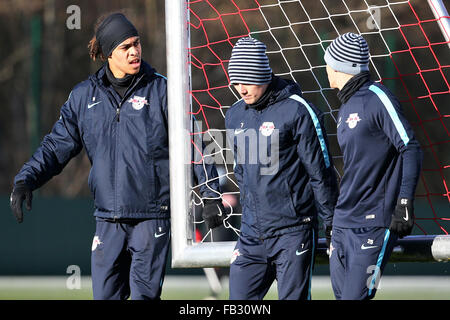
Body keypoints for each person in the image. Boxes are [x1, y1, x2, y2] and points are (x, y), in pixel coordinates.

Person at [9, 12, 224, 300]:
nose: (135, 51)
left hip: (152, 218)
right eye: (125, 47)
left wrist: (211, 195)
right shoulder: (84, 97)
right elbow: (56, 146)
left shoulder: (163, 90)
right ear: (109, 54)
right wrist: (26, 179)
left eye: (137, 43)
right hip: (107, 220)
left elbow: (194, 143)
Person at [225, 36, 339, 300]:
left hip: (293, 231)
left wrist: (331, 223)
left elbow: (320, 173)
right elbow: (240, 171)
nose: (241, 89)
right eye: (236, 82)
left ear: (262, 73)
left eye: (247, 80)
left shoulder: (299, 111)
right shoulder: (234, 115)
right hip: (252, 235)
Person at [324, 32, 423, 300]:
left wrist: (404, 202)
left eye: (328, 62)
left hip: (374, 226)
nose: (326, 68)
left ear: (339, 65)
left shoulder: (377, 96)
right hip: (343, 222)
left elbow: (410, 147)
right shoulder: (345, 107)